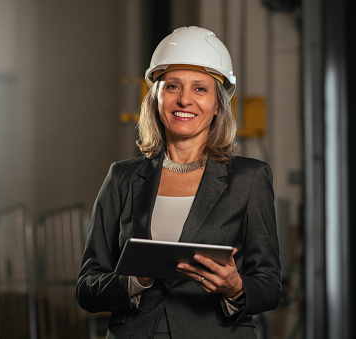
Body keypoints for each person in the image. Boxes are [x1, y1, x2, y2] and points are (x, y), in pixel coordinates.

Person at [76, 26, 282, 338]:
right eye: (172, 86)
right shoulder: (122, 177)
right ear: (156, 98)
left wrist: (236, 288)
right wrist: (135, 281)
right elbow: (88, 286)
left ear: (217, 105)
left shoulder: (249, 179)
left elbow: (269, 284)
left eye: (200, 89)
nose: (184, 100)